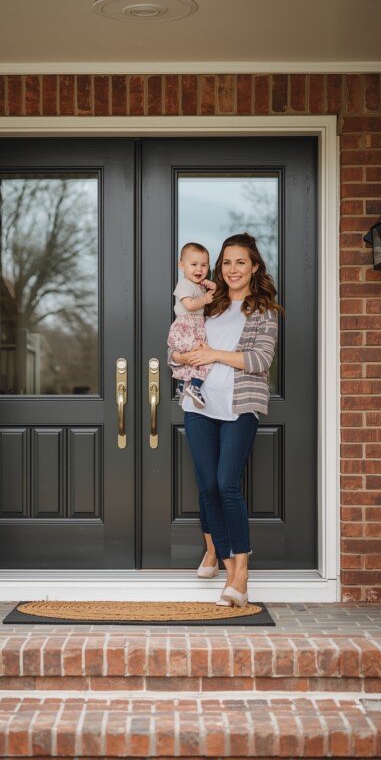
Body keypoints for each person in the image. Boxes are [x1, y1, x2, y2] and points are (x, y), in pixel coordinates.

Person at [169, 233, 283, 607]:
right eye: (227, 262)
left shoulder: (262, 309)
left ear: (254, 267)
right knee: (207, 488)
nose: (233, 269)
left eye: (241, 262)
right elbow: (176, 352)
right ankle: (229, 570)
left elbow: (259, 360)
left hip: (239, 407)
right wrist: (186, 359)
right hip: (198, 405)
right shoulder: (208, 305)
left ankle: (242, 574)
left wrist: (213, 353)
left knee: (226, 485)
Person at [167, 242, 215, 408]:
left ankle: (183, 385)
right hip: (186, 325)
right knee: (198, 356)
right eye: (193, 264)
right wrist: (205, 299)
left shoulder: (199, 285)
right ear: (182, 265)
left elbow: (214, 294)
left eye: (204, 265)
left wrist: (213, 286)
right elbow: (189, 305)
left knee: (195, 355)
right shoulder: (184, 284)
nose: (199, 270)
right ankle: (193, 386)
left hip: (195, 325)